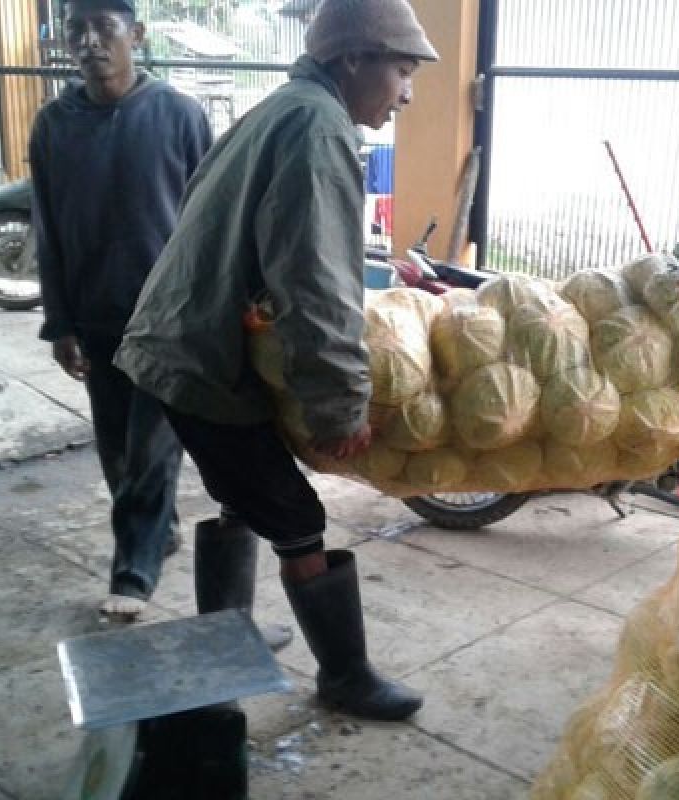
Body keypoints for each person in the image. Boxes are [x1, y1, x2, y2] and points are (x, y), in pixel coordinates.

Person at [114, 0, 438, 721]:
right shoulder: (318, 128)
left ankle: (229, 634)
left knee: (243, 490)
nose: (408, 91)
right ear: (353, 58)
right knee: (296, 516)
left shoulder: (286, 107)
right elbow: (317, 282)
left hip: (179, 342)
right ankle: (346, 675)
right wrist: (339, 403)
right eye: (403, 69)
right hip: (200, 362)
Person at [30, 0, 209, 619]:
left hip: (167, 318)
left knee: (153, 446)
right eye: (77, 29)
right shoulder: (54, 125)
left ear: (135, 34)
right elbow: (48, 231)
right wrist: (59, 323)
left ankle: (133, 573)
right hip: (95, 312)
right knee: (115, 449)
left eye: (104, 28)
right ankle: (160, 530)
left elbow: (208, 221)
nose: (89, 41)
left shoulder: (180, 116)